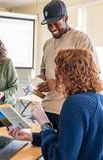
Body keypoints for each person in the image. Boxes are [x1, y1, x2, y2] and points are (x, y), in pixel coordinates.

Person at [9, 48, 103, 160]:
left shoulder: (74, 104)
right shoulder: (98, 99)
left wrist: (44, 123)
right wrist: (31, 137)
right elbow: (67, 140)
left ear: (65, 73)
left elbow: (59, 157)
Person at [36, 0, 100, 131]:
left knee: (64, 150)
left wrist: (56, 83)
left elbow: (91, 77)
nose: (52, 28)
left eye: (56, 23)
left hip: (67, 109)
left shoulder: (81, 39)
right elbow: (44, 71)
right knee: (41, 148)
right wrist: (41, 80)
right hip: (47, 108)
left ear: (66, 18)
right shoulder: (47, 44)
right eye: (49, 24)